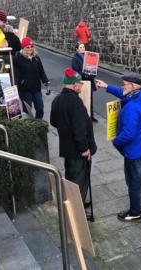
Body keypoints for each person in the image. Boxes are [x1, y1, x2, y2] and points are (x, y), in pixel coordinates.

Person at [95, 73, 141, 222]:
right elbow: (124, 94)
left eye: (124, 84)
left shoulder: (131, 108)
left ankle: (135, 212)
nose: (122, 86)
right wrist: (107, 86)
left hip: (133, 152)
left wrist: (116, 141)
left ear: (133, 86)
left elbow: (129, 133)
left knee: (133, 182)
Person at [50, 68, 97, 206]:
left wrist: (64, 129)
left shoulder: (57, 100)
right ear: (74, 85)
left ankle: (71, 203)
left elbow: (53, 121)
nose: (82, 86)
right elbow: (79, 129)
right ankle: (77, 207)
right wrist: (84, 149)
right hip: (78, 151)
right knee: (79, 180)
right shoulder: (75, 102)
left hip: (67, 148)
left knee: (70, 177)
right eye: (80, 84)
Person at [13, 37, 49, 119]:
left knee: (40, 108)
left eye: (31, 46)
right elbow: (11, 67)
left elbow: (41, 71)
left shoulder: (36, 58)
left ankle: (38, 123)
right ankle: (29, 127)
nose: (30, 49)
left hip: (36, 88)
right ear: (23, 48)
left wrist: (46, 82)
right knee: (27, 111)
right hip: (24, 89)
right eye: (27, 47)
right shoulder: (18, 58)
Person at [71, 42, 98, 122]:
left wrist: (92, 74)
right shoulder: (75, 58)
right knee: (82, 99)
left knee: (90, 99)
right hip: (81, 81)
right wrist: (85, 75)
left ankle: (91, 116)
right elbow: (76, 71)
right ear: (77, 49)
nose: (82, 48)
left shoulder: (88, 56)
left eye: (83, 47)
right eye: (80, 47)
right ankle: (82, 117)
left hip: (89, 80)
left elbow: (93, 67)